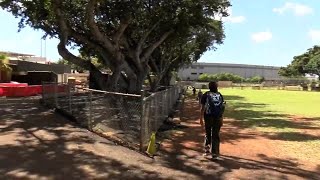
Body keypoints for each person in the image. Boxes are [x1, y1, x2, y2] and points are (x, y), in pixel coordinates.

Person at [200, 81, 225, 159]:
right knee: (215, 134)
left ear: (209, 87)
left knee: (208, 133)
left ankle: (207, 151)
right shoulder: (219, 95)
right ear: (216, 87)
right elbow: (222, 107)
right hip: (218, 117)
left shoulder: (206, 94)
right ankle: (215, 154)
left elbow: (203, 107)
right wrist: (222, 118)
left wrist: (200, 118)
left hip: (208, 116)